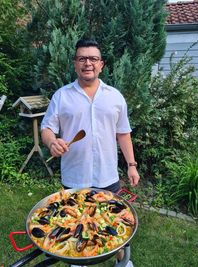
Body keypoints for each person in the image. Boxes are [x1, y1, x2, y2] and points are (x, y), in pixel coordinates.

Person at [41, 38, 140, 267]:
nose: (88, 63)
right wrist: (51, 142)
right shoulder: (62, 96)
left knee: (115, 226)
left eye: (93, 58)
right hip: (75, 178)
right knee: (76, 226)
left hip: (108, 177)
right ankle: (77, 260)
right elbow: (47, 128)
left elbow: (123, 133)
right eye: (82, 58)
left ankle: (123, 263)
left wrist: (132, 165)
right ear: (75, 64)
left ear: (101, 64)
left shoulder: (115, 96)